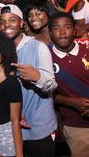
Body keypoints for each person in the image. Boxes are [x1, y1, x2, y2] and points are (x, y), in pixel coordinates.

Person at [0, 4, 57, 157]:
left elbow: (52, 86)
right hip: (11, 126)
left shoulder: (38, 47)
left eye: (12, 20)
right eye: (3, 22)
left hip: (38, 128)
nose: (7, 25)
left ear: (22, 23)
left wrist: (37, 77)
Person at [49, 12, 89, 157]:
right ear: (50, 33)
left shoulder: (87, 48)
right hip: (75, 125)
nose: (62, 32)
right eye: (57, 28)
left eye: (67, 27)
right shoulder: (45, 56)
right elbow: (45, 93)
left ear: (75, 30)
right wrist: (73, 102)